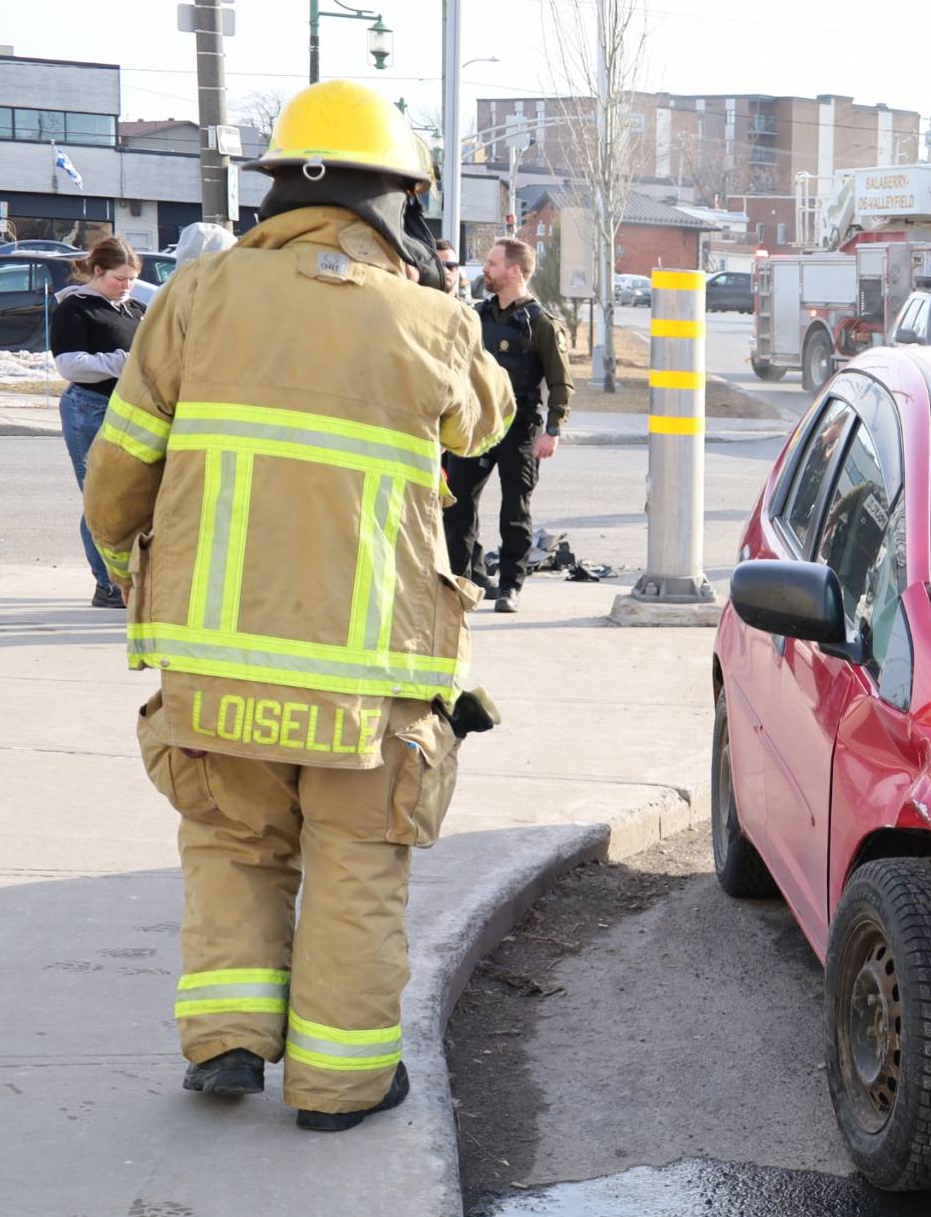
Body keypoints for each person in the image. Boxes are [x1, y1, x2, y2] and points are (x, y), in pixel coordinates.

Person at [82, 78, 516, 1130]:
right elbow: (483, 425)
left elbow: (116, 480)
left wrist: (124, 561)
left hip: (216, 659)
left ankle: (227, 1041)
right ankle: (339, 1085)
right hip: (366, 673)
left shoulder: (196, 295)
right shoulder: (433, 320)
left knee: (232, 841)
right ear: (394, 203)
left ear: (281, 187)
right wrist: (435, 292)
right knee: (356, 862)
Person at [442, 236, 568, 613]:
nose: (485, 269)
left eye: (493, 263)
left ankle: (511, 586)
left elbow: (561, 382)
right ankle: (459, 581)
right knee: (458, 504)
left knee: (515, 509)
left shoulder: (540, 323)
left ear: (514, 271)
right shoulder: (476, 316)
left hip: (521, 427)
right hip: (476, 425)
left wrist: (553, 430)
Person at [50, 237, 143, 608]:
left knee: (127, 498)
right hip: (89, 407)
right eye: (120, 279)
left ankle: (124, 580)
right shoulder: (76, 308)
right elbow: (69, 365)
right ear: (98, 270)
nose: (127, 286)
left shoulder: (135, 309)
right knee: (99, 499)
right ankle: (106, 584)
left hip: (130, 409)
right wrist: (123, 362)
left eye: (133, 279)